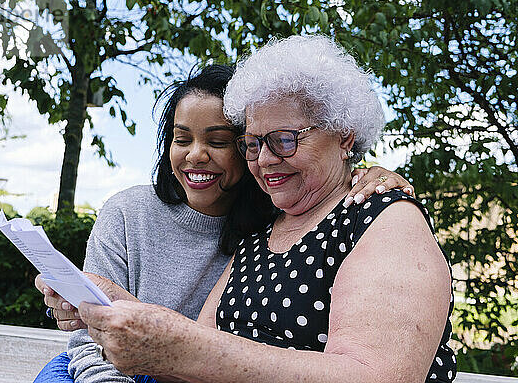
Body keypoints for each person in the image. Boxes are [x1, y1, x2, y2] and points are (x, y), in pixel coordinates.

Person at [74, 35, 457, 383]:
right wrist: (115, 308)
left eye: (284, 141)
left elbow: (375, 376)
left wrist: (178, 343)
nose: (265, 159)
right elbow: (194, 358)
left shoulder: (383, 218)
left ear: (345, 136)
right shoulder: (263, 230)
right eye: (253, 144)